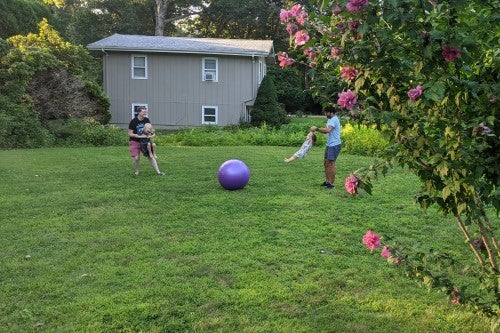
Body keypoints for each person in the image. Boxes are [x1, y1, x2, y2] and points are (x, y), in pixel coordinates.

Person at [310, 105, 342, 189]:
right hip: (329, 144)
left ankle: (331, 184)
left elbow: (327, 130)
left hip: (334, 145)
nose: (325, 114)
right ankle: (327, 181)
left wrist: (316, 128)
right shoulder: (331, 119)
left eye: (326, 112)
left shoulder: (333, 120)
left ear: (331, 112)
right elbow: (327, 130)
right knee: (326, 163)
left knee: (331, 164)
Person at [128, 106, 165, 176]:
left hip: (145, 141)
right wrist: (138, 136)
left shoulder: (147, 120)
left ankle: (158, 172)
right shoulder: (133, 121)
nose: (145, 113)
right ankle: (136, 172)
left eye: (146, 112)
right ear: (139, 112)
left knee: (150, 156)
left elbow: (151, 130)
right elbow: (130, 133)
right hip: (134, 141)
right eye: (143, 112)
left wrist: (152, 134)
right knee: (136, 158)